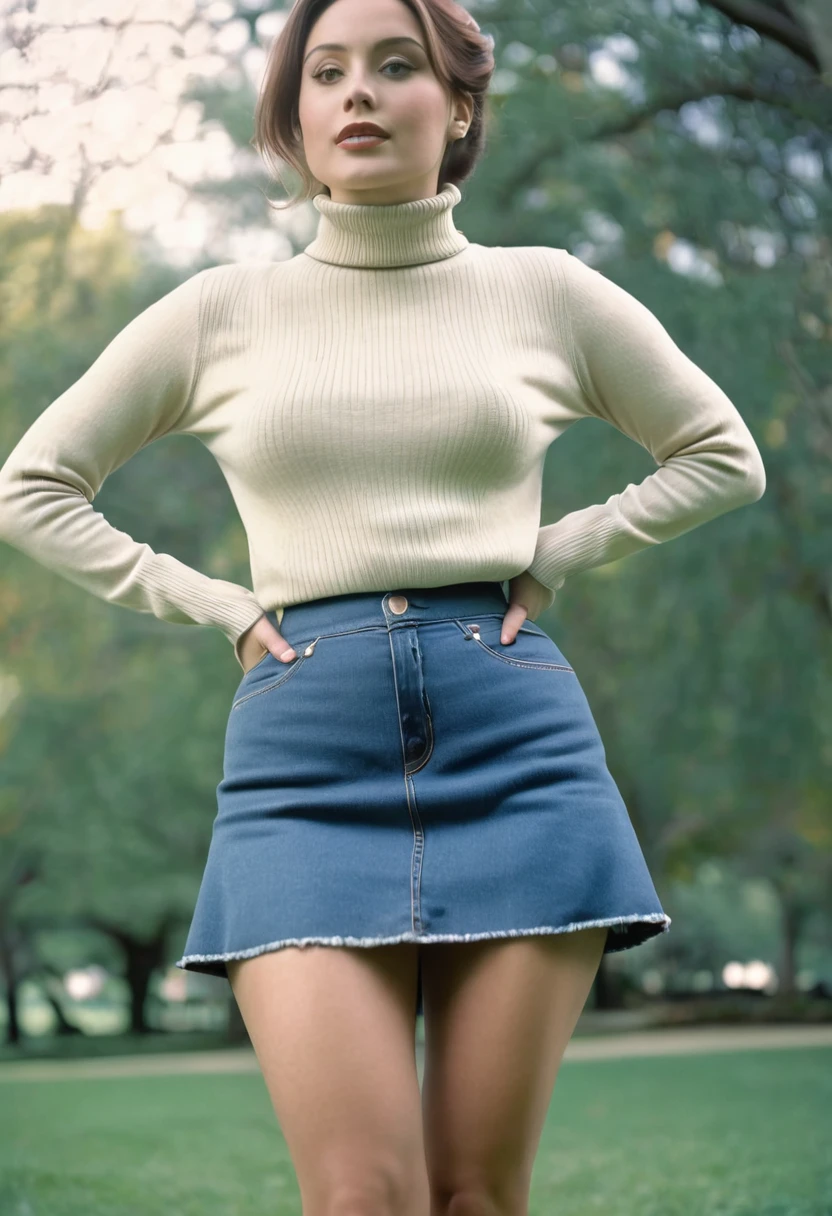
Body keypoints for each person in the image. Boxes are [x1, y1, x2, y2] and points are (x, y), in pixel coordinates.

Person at [0, 0, 766, 1212]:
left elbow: (721, 454)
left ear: (456, 106)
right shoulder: (218, 311)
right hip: (301, 761)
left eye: (395, 65)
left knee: (476, 1196)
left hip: (518, 746)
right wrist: (211, 602)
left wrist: (557, 546)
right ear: (294, 119)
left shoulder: (545, 291)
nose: (357, 92)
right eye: (327, 71)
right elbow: (32, 487)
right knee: (362, 1196)